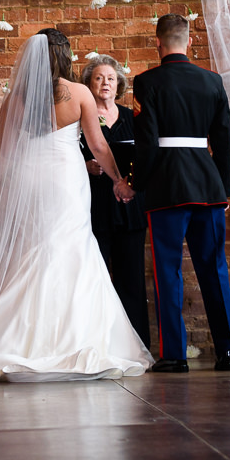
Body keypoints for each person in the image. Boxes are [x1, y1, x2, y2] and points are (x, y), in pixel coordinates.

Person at [0, 29, 154, 381]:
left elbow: (6, 156)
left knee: (34, 250)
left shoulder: (14, 99)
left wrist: (9, 191)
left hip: (30, 180)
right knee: (72, 248)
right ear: (65, 56)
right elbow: (99, 146)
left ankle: (19, 337)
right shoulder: (80, 93)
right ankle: (75, 338)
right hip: (66, 181)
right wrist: (119, 181)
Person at [133, 14, 230, 373]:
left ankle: (175, 355)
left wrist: (135, 182)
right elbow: (223, 143)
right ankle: (226, 350)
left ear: (158, 43)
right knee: (214, 268)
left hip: (166, 186)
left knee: (168, 271)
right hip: (208, 185)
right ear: (189, 41)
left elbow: (147, 143)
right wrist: (222, 190)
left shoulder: (147, 82)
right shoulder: (213, 81)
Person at [79, 53, 151, 345]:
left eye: (110, 78)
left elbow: (146, 157)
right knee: (94, 280)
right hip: (95, 208)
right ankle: (98, 346)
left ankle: (138, 345)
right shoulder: (80, 119)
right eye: (98, 78)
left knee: (132, 280)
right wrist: (86, 166)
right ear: (89, 84)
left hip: (130, 208)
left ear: (119, 83)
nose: (105, 83)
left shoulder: (133, 118)